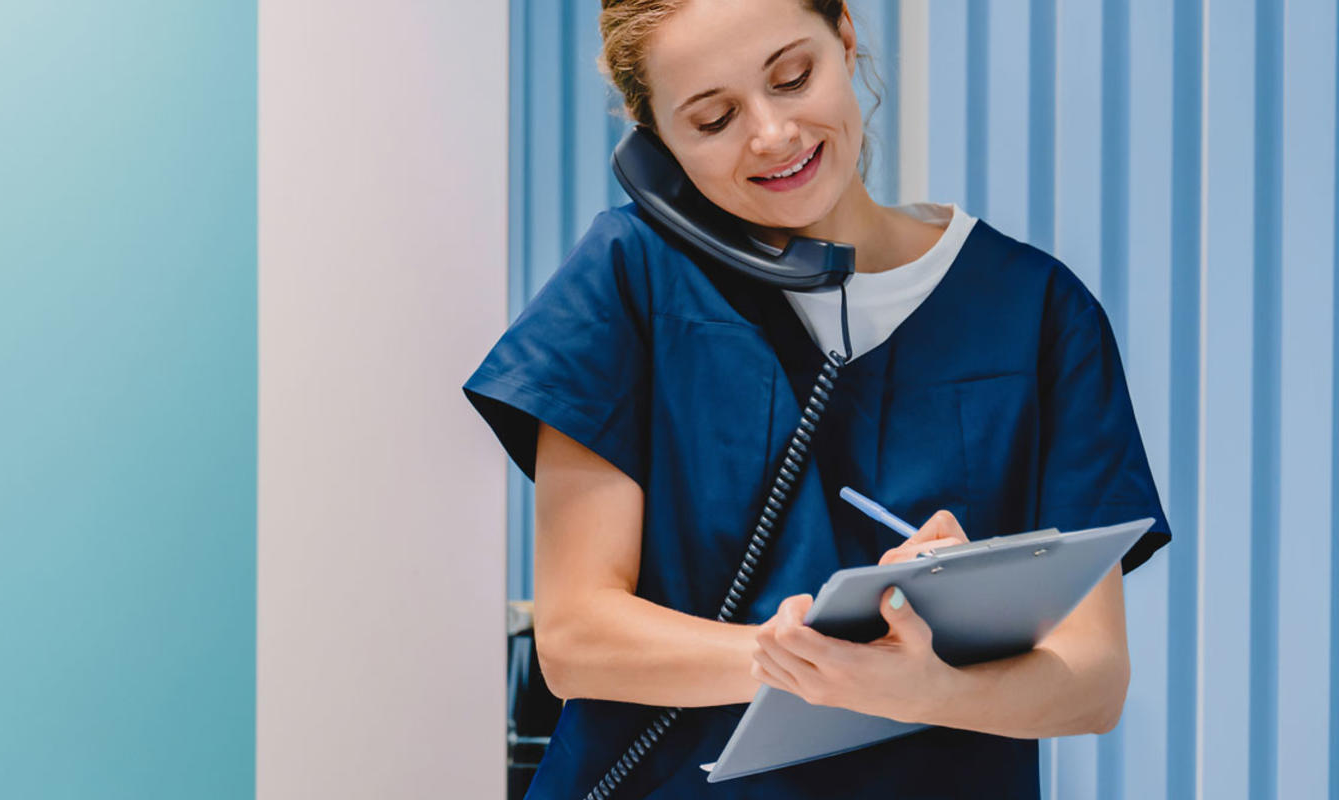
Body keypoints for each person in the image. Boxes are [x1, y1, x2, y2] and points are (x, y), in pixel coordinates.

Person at [461, 0, 1173, 797]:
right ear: (655, 144)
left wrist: (921, 683)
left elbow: (1094, 678)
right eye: (713, 118)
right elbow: (575, 637)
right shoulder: (627, 279)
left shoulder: (1037, 311)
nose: (772, 134)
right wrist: (815, 661)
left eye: (792, 76)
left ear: (844, 37)